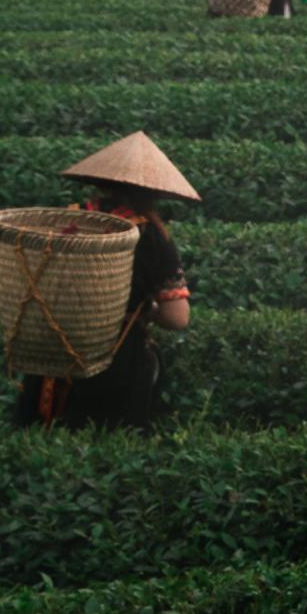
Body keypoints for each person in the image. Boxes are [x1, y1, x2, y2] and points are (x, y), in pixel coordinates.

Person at [12, 131, 197, 433]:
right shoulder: (151, 236)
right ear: (155, 192)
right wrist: (147, 310)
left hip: (54, 351)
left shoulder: (69, 221)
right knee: (111, 441)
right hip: (116, 361)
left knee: (45, 440)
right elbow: (177, 318)